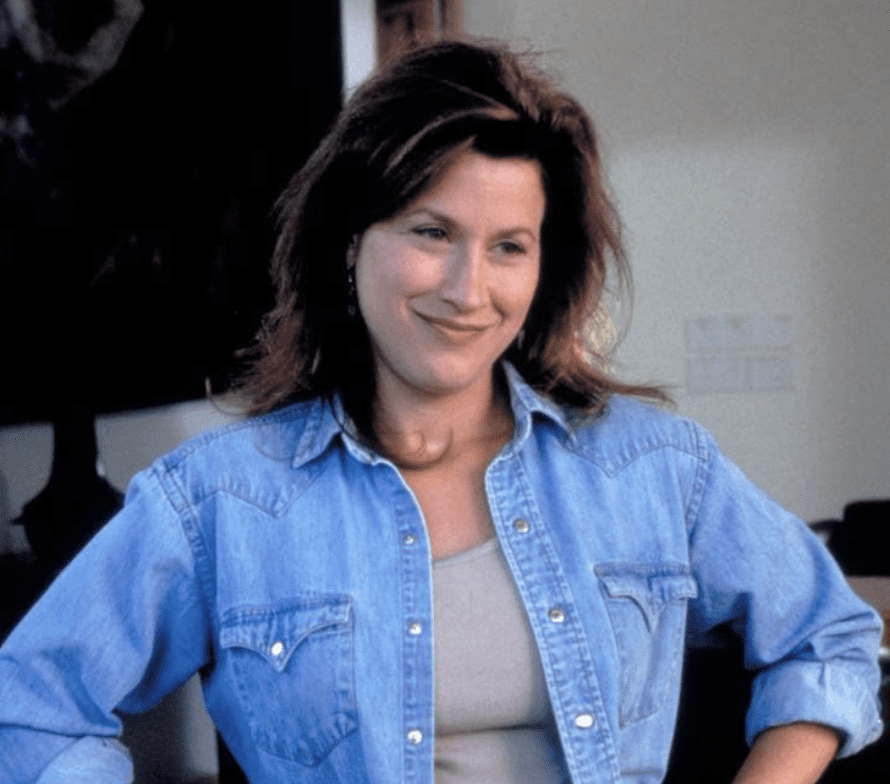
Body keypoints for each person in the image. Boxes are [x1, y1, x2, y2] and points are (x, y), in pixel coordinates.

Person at [0, 38, 883, 784]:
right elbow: (32, 708)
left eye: (509, 247)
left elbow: (829, 639)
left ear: (543, 272)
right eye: (431, 232)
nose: (469, 290)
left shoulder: (655, 467)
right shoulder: (216, 503)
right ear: (351, 245)